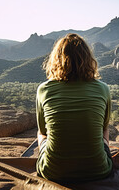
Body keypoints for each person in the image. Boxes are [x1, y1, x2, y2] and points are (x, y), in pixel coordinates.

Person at [36, 33, 113, 182]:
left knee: (41, 135)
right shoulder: (103, 89)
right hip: (99, 171)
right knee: (103, 131)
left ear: (56, 59)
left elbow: (43, 131)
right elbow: (104, 128)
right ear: (88, 59)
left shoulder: (44, 89)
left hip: (52, 172)